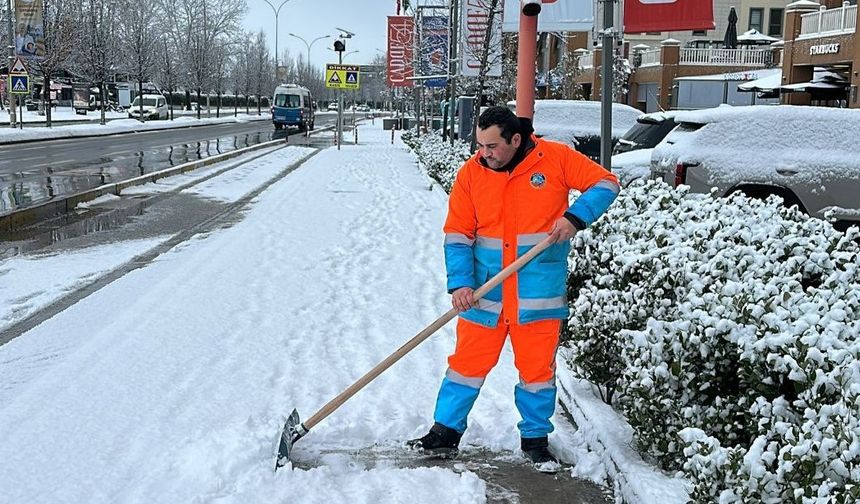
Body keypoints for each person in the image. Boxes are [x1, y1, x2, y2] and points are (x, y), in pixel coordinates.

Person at [408, 106, 620, 472]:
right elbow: (458, 235)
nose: (483, 153)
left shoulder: (554, 159)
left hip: (537, 291)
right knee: (465, 367)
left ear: (515, 139)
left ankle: (535, 440)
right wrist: (459, 282)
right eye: (480, 145)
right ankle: (444, 432)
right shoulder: (472, 173)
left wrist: (575, 217)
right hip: (484, 292)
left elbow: (606, 183)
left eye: (491, 146)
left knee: (537, 371)